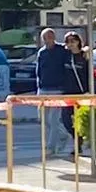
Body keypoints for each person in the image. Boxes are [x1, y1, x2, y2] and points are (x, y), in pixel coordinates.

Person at [33, 28, 77, 157]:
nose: (48, 40)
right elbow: (38, 71)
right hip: (43, 89)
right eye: (45, 38)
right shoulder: (41, 52)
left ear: (54, 38)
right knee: (43, 119)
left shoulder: (62, 50)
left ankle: (51, 147)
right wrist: (38, 87)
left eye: (50, 37)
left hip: (58, 89)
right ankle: (63, 135)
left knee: (53, 119)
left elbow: (73, 55)